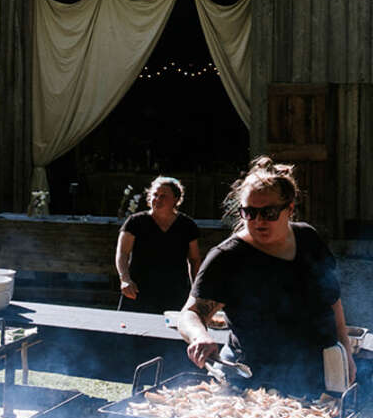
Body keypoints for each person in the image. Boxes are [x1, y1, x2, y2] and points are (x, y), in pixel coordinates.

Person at [179, 157, 351, 399]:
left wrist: (346, 353)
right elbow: (190, 313)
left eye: (269, 212)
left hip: (314, 371)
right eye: (249, 212)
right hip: (252, 379)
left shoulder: (308, 239)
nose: (258, 221)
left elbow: (333, 302)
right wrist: (199, 336)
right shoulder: (226, 257)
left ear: (289, 209)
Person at [115, 176, 203, 313]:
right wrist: (125, 279)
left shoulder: (187, 225)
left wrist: (196, 290)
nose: (157, 199)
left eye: (163, 196)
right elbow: (122, 253)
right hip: (139, 290)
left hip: (174, 292)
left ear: (176, 199)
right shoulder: (135, 222)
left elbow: (194, 259)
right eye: (155, 195)